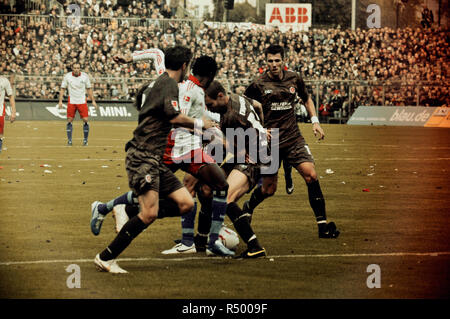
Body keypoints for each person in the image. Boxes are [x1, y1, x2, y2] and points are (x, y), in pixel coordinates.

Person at [91, 45, 215, 273]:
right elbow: (175, 117)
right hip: (143, 156)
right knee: (149, 213)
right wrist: (201, 124)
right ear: (185, 65)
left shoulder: (164, 81)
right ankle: (106, 257)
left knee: (186, 203)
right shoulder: (168, 84)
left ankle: (126, 210)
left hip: (154, 159)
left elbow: (156, 54)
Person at [112, 51, 234, 257]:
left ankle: (200, 241)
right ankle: (115, 208)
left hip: (179, 147)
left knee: (205, 185)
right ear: (210, 76)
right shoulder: (192, 90)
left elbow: (157, 53)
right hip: (179, 148)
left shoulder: (169, 77)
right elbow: (178, 118)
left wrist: (127, 59)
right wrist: (208, 130)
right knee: (212, 186)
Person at [242, 45, 340, 239]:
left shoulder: (294, 78)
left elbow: (307, 99)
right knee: (268, 189)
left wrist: (315, 122)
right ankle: (247, 207)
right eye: (270, 61)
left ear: (284, 60)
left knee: (311, 174)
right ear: (266, 62)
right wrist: (259, 130)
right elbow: (244, 107)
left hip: (293, 138)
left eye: (277, 60)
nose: (274, 64)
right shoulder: (258, 84)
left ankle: (323, 226)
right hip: (271, 143)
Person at [203, 80, 269, 258]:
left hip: (254, 156)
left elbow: (234, 148)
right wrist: (262, 127)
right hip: (246, 151)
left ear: (220, 96)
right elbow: (259, 106)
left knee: (226, 197)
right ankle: (208, 234)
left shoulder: (232, 117)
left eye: (210, 104)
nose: (209, 109)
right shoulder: (237, 97)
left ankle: (255, 246)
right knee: (207, 188)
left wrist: (215, 136)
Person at [58, 62, 98, 146]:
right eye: (75, 68)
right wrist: (60, 101)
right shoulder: (67, 76)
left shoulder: (85, 76)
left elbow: (89, 89)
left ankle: (85, 140)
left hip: (82, 101)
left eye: (78, 68)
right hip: (72, 101)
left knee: (86, 120)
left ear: (80, 68)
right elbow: (62, 89)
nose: (76, 69)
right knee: (69, 120)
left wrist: (93, 101)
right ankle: (69, 140)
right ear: (72, 68)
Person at [0, 74, 16, 153]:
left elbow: (10, 96)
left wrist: (13, 112)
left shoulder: (4, 80)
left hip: (0, 111)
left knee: (0, 134)